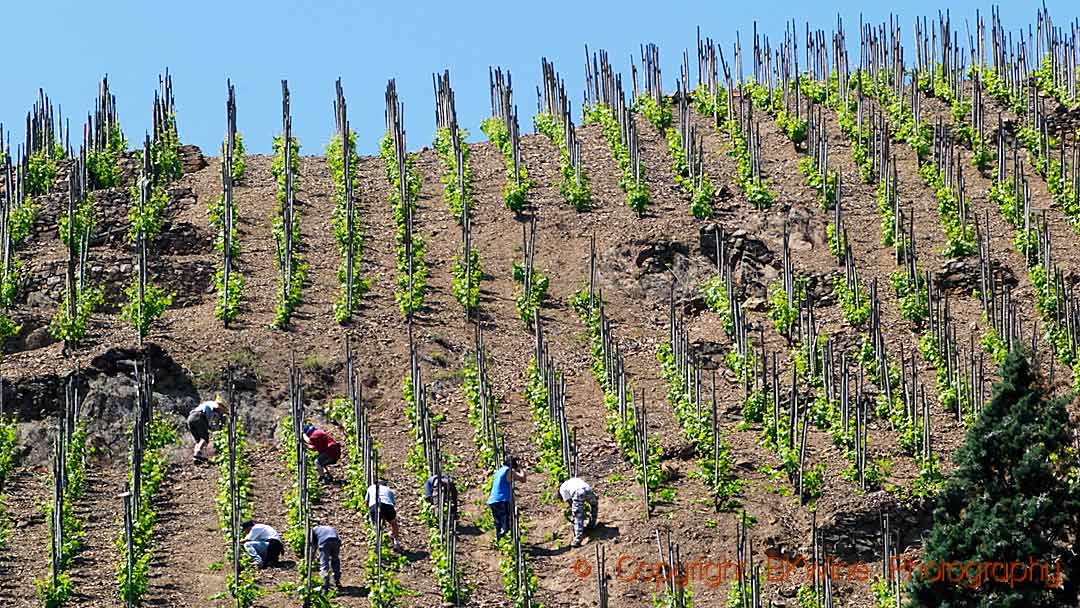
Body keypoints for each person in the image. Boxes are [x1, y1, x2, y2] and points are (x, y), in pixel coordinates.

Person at [486, 456, 526, 542]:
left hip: (493, 500)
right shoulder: (508, 471)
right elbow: (523, 478)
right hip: (502, 500)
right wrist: (520, 468)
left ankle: (500, 542)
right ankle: (507, 541)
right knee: (506, 523)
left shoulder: (499, 471)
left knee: (498, 523)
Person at [559, 476, 599, 547]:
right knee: (594, 505)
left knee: (578, 516)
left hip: (578, 492)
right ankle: (592, 524)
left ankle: (577, 539)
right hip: (588, 489)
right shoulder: (573, 480)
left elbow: (570, 502)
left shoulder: (562, 489)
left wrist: (575, 512)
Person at [365, 480, 401, 550]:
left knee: (375, 525)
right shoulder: (389, 490)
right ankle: (396, 541)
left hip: (374, 505)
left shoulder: (371, 487)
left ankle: (376, 539)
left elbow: (366, 502)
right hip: (387, 505)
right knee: (393, 522)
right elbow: (393, 503)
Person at [187, 397, 225, 463]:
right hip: (198, 416)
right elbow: (216, 406)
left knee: (199, 440)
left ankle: (196, 458)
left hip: (190, 418)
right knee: (205, 438)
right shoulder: (212, 403)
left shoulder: (207, 408)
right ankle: (197, 452)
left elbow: (207, 422)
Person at [309, 524, 341, 591]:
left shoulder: (313, 530)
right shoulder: (328, 527)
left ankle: (325, 585)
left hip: (324, 541)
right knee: (335, 560)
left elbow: (313, 548)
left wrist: (311, 560)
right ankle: (337, 580)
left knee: (324, 563)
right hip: (336, 540)